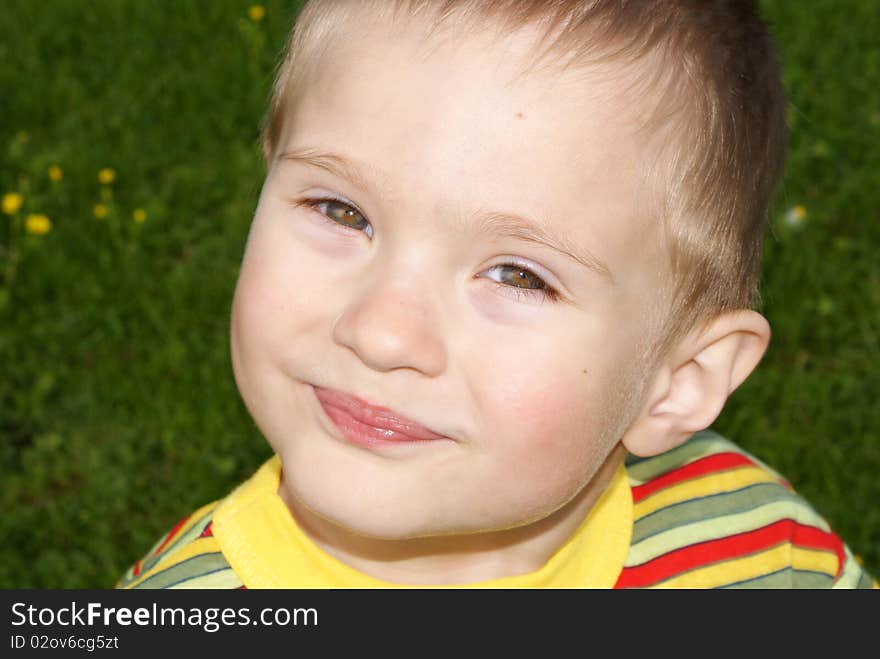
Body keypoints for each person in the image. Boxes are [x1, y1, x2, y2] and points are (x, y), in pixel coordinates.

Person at [117, 0, 876, 589]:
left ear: (677, 382)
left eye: (518, 274)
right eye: (341, 211)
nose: (381, 332)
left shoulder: (761, 554)